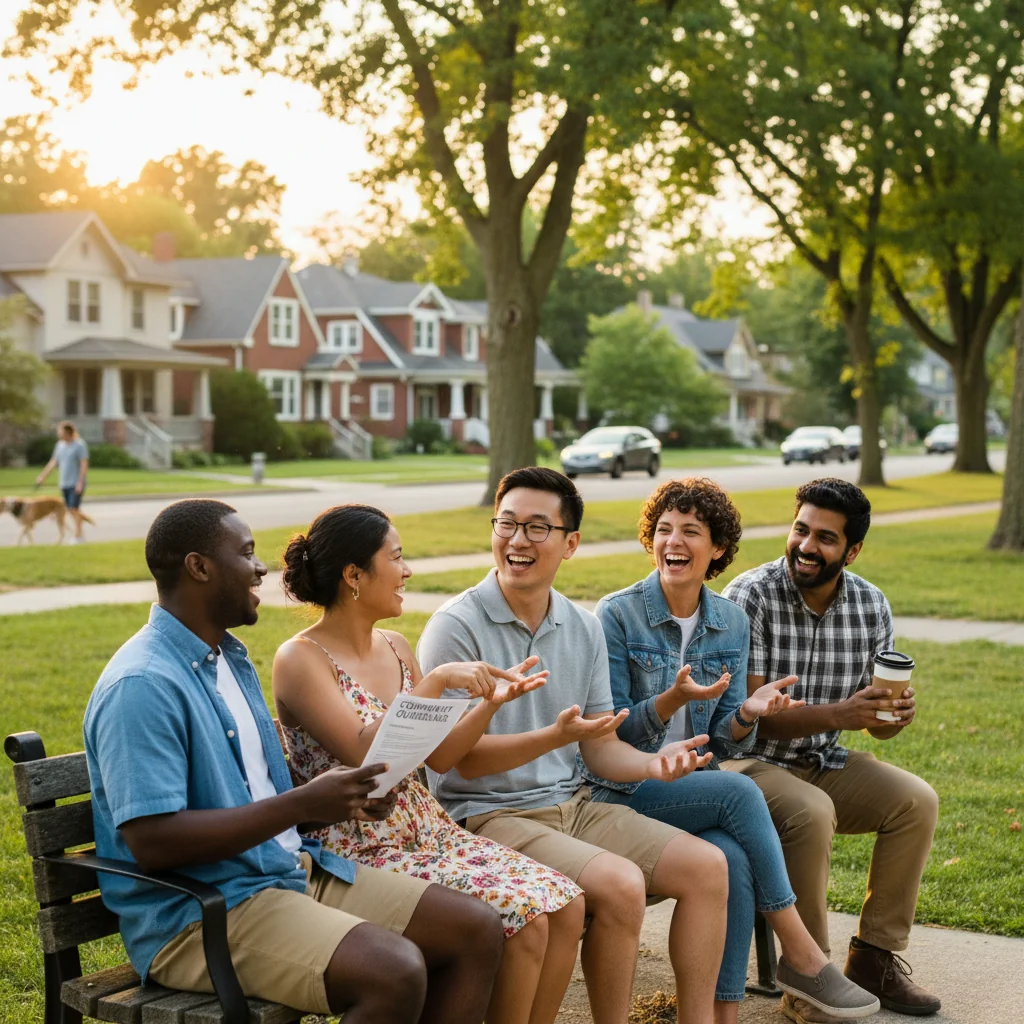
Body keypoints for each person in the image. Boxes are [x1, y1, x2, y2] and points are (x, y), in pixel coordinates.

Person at [419, 467, 870, 1024]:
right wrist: (577, 734)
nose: (518, 540)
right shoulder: (457, 626)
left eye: (537, 527)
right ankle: (799, 954)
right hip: (492, 813)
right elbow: (453, 762)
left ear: (570, 543)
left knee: (714, 864)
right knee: (632, 877)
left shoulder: (580, 625)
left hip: (575, 804)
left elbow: (602, 746)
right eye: (507, 524)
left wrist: (659, 763)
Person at [83, 498, 505, 1024]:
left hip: (285, 869)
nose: (261, 567)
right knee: (393, 971)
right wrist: (301, 804)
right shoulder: (143, 684)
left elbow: (252, 799)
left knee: (475, 929)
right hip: (203, 912)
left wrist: (335, 803)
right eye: (246, 553)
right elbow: (153, 843)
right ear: (199, 567)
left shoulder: (227, 660)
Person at [272, 503, 585, 1024]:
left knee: (567, 903)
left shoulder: (396, 647)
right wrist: (437, 681)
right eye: (396, 558)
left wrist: (489, 704)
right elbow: (364, 754)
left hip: (427, 830)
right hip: (355, 845)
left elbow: (439, 755)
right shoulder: (300, 658)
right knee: (528, 918)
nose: (408, 571)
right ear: (354, 575)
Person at [585, 477, 879, 1024]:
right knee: (740, 792)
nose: (673, 541)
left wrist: (747, 713)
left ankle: (721, 1016)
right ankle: (801, 952)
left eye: (690, 531)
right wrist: (671, 701)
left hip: (693, 786)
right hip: (622, 787)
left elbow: (723, 739)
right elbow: (612, 736)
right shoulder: (617, 614)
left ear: (717, 548)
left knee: (733, 859)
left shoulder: (730, 622)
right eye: (664, 529)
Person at [722, 478, 941, 1023]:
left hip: (822, 761)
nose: (806, 546)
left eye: (825, 537)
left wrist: (892, 716)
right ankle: (810, 976)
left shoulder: (870, 605)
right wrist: (843, 714)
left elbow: (877, 728)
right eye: (801, 529)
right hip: (747, 764)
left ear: (852, 549)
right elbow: (751, 719)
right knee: (811, 811)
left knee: (916, 801)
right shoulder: (751, 595)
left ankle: (873, 959)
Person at [36, 420, 89, 543]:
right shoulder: (59, 446)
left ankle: (78, 535)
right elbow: (53, 462)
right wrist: (42, 476)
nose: (58, 433)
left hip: (75, 483)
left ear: (67, 432)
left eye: (60, 431)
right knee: (71, 510)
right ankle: (80, 531)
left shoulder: (79, 445)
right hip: (64, 483)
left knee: (73, 508)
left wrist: (80, 482)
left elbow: (83, 464)